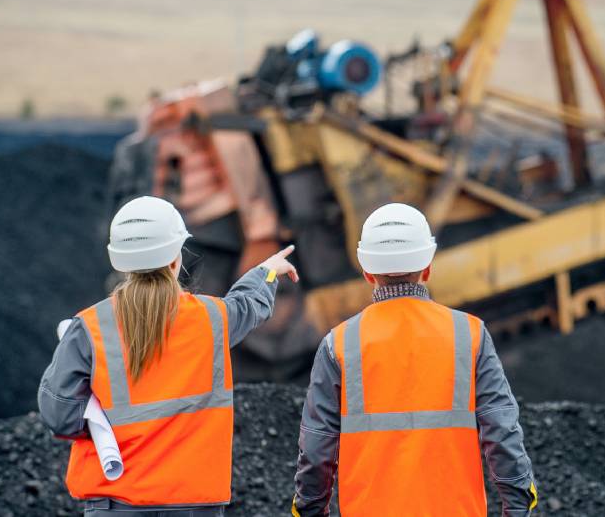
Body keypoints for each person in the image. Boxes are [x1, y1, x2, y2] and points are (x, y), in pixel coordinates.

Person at [38, 196, 299, 516]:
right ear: (176, 259)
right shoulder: (212, 319)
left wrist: (103, 422)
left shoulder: (89, 328)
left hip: (116, 504)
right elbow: (249, 305)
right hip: (193, 505)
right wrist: (268, 270)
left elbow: (60, 416)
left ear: (119, 261)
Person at [292, 203, 538, 516]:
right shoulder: (469, 334)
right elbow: (502, 431)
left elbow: (316, 448)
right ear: (428, 267)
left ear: (367, 273)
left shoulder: (339, 344)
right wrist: (517, 505)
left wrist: (309, 509)